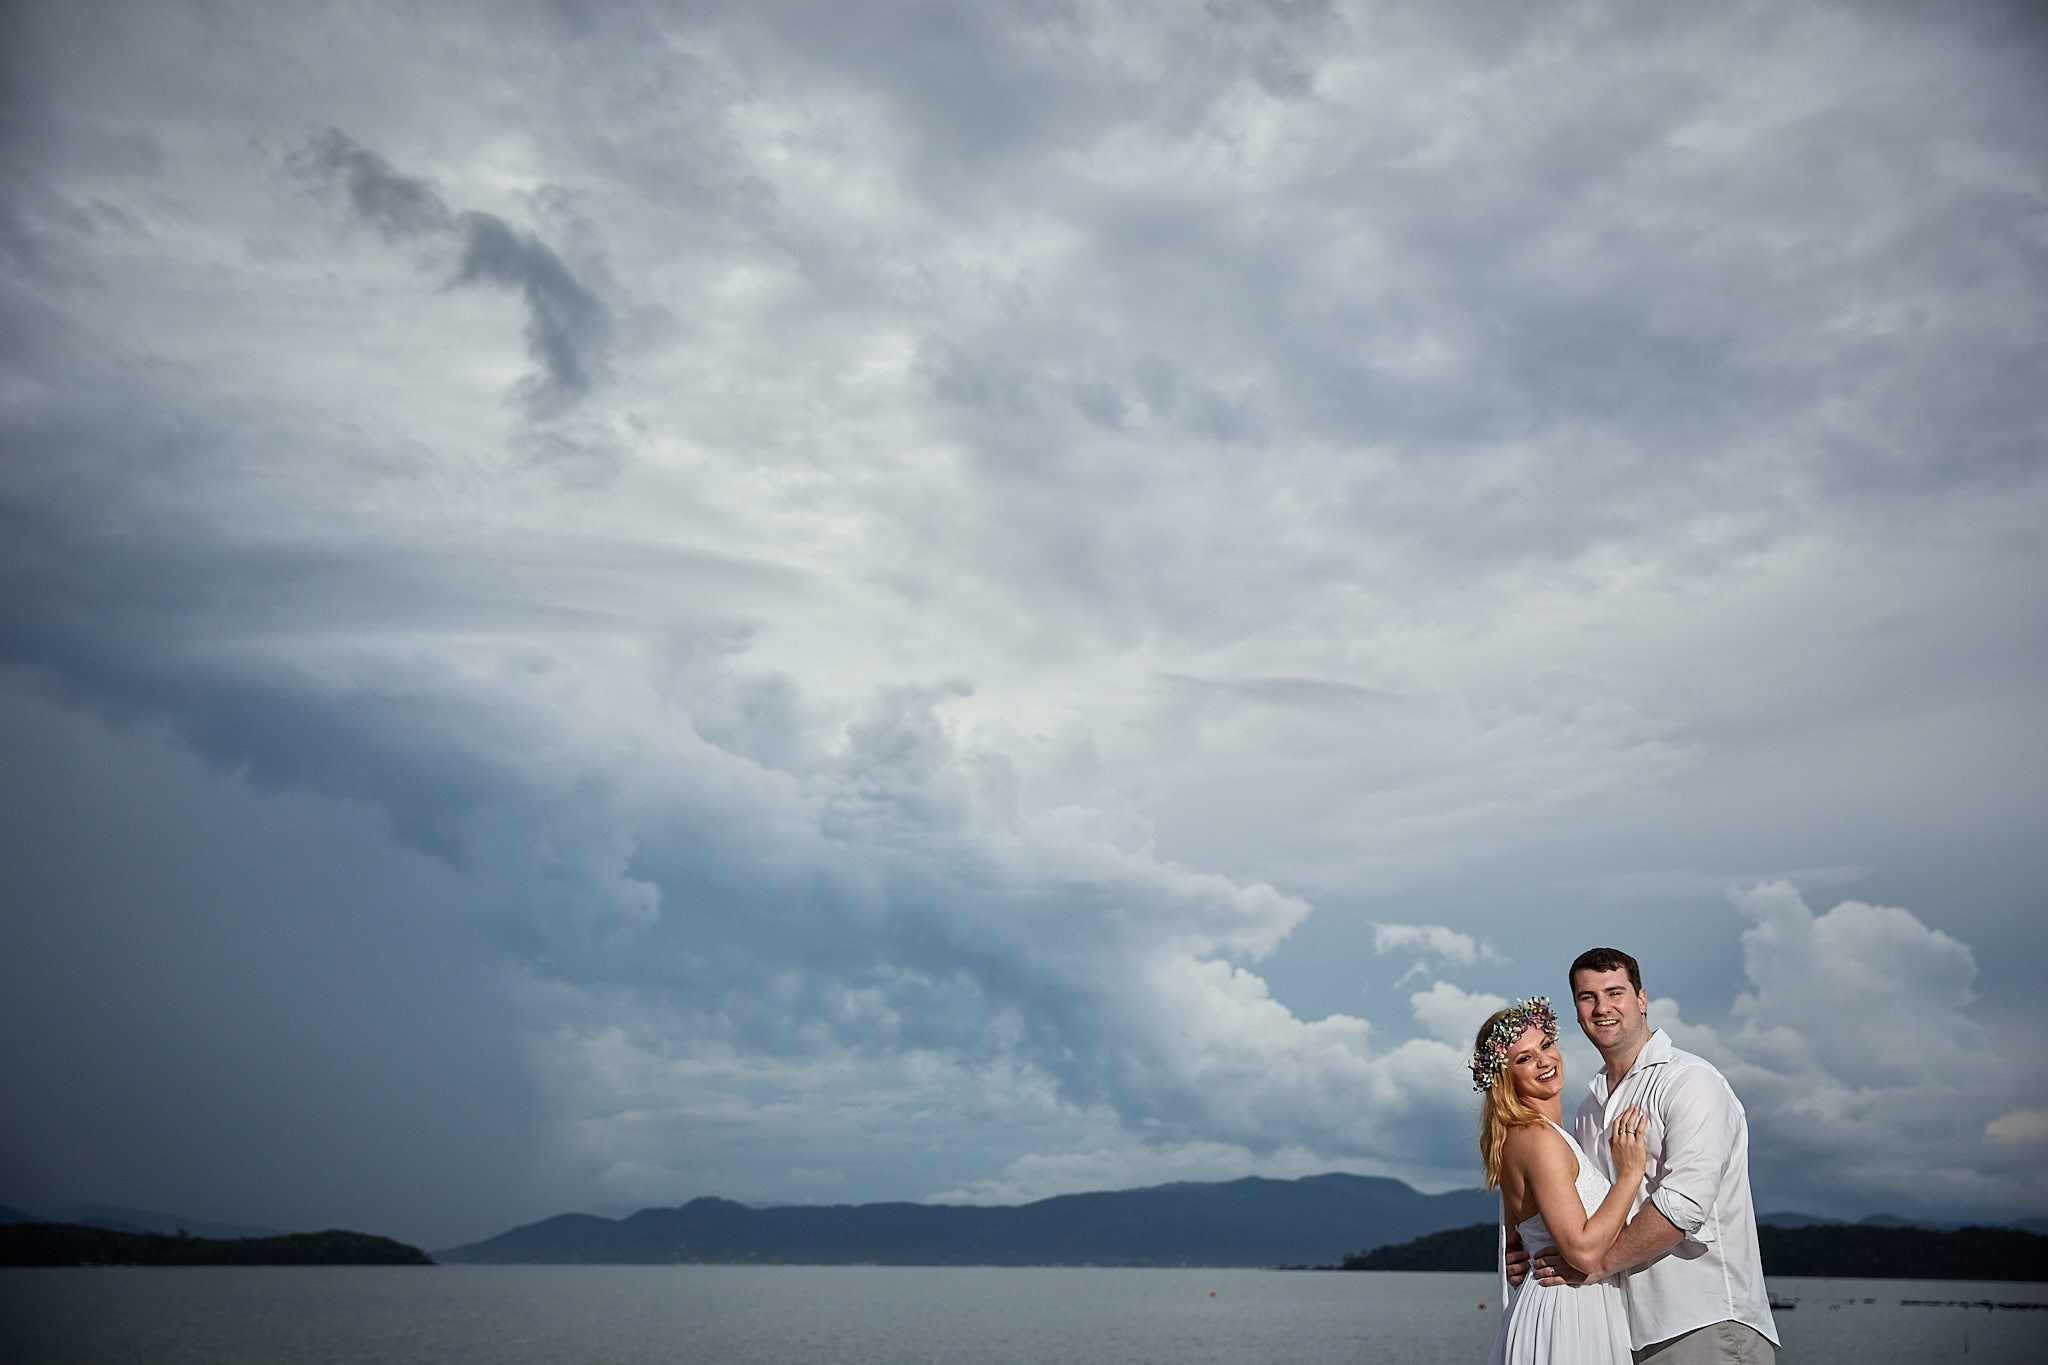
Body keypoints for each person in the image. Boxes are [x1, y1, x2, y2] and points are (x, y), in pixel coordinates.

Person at [1526, 948, 1780, 1364]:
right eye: (1587, 997)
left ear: (1641, 1000)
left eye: (1615, 992)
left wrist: (1593, 1265)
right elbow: (1587, 1212)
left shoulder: (1690, 1081)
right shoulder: (1590, 1106)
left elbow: (1685, 1205)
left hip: (1703, 1324)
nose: (1602, 1007)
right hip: (1621, 1332)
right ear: (1576, 1011)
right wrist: (1533, 1252)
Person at [1475, 995, 1647, 1365]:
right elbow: (1582, 1252)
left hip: (1569, 1305)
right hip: (1566, 1312)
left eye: (1546, 1045)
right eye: (1524, 1059)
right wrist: (1630, 1174)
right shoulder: (1537, 1139)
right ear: (1504, 1078)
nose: (1544, 1061)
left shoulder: (1529, 1137)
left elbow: (1518, 1241)